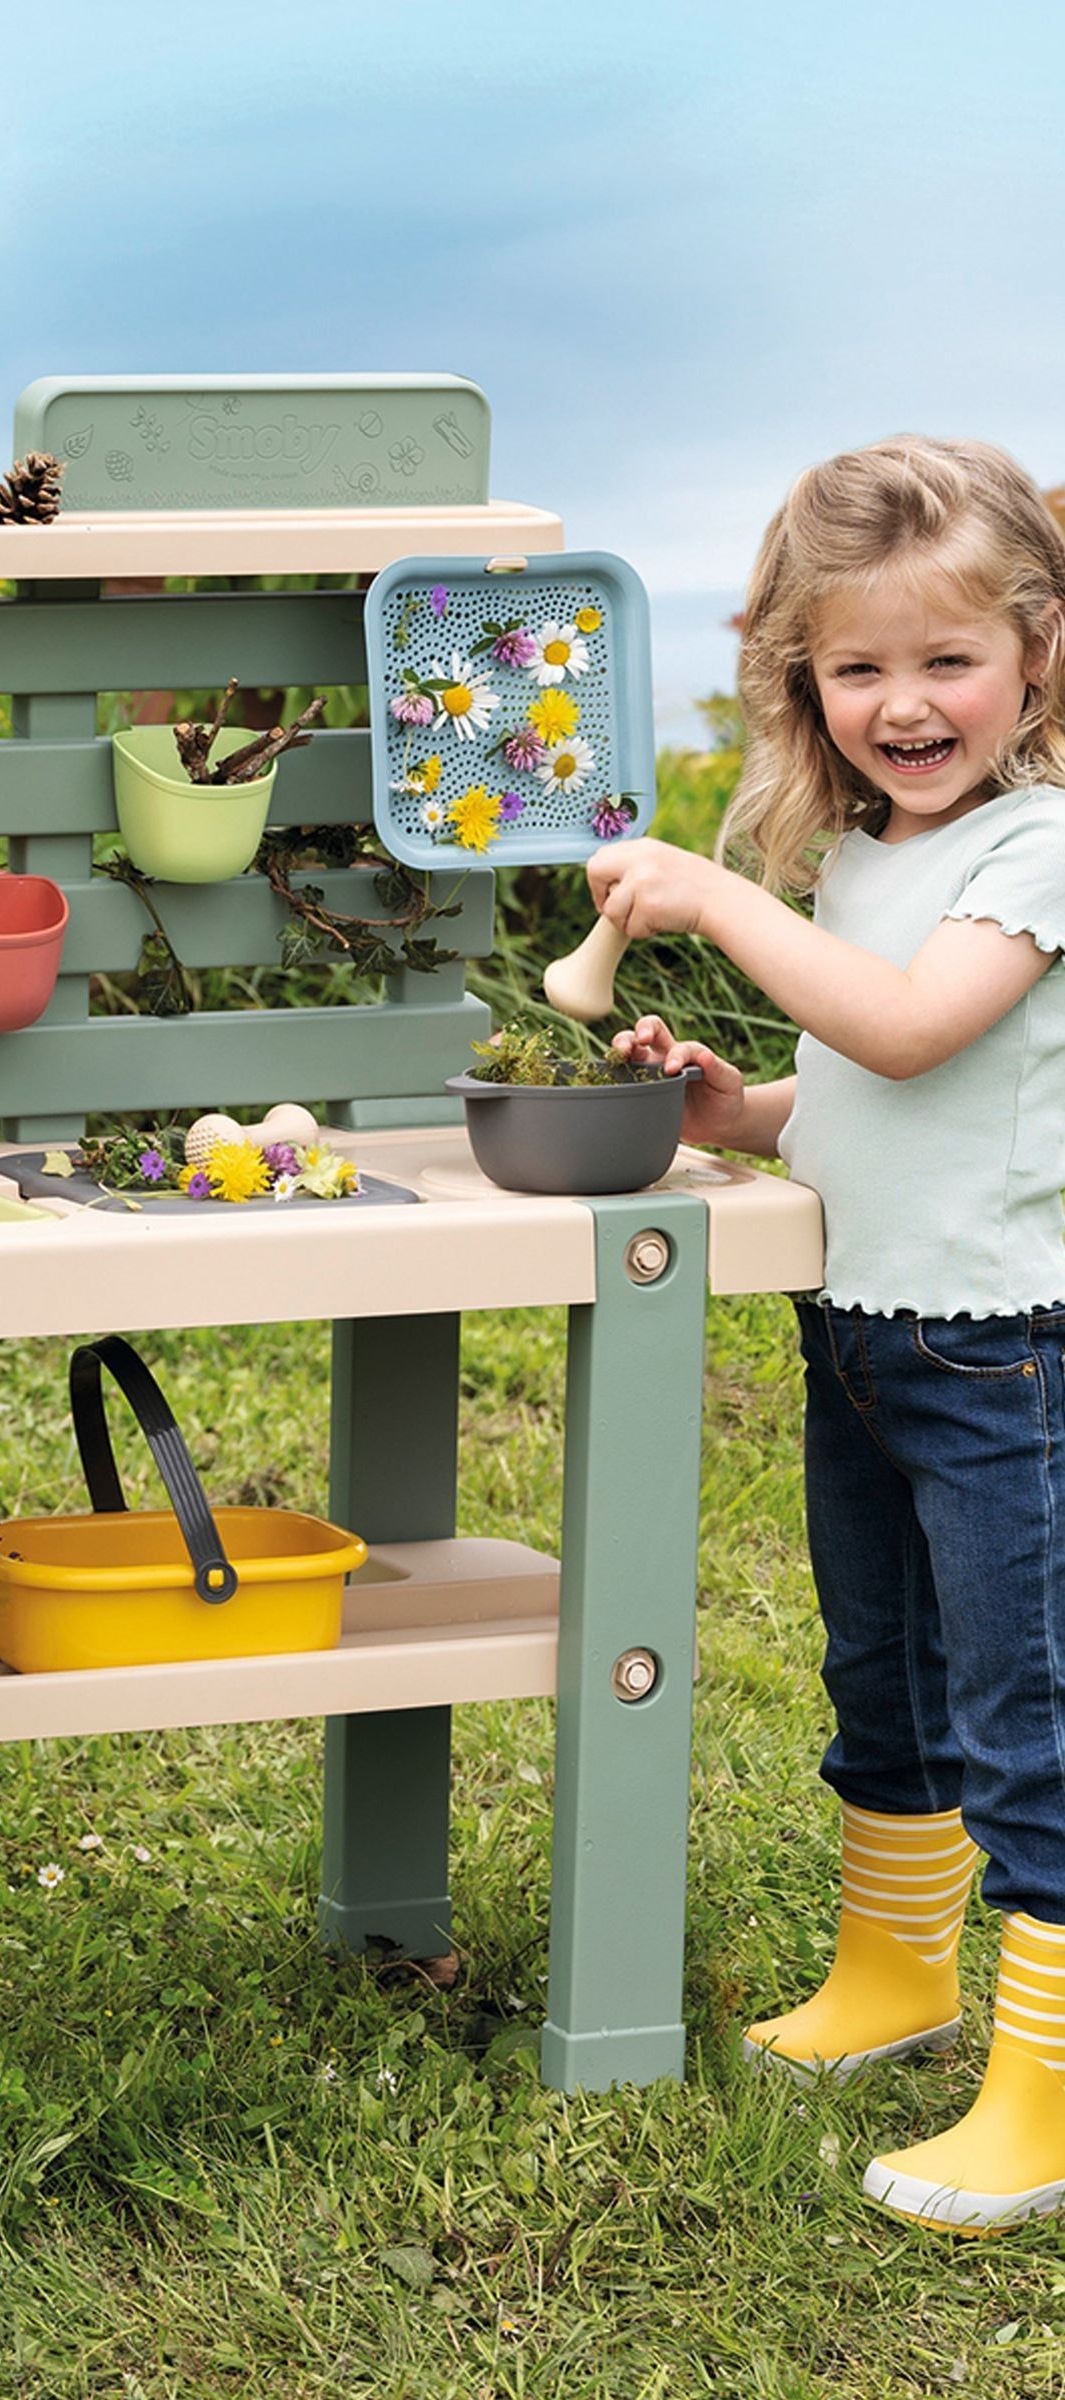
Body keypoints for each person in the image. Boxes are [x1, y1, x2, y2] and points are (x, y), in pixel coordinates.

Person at [591, 434, 1065, 2235]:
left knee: (1025, 1715)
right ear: (804, 679)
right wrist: (738, 1110)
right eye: (857, 666)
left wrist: (719, 903)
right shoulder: (880, 853)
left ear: (1036, 650)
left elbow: (924, 1030)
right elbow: (870, 1080)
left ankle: (1044, 2088)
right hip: (866, 1340)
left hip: (1008, 1359)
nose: (904, 702)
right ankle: (897, 1972)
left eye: (947, 659)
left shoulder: (1042, 847)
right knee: (886, 1682)